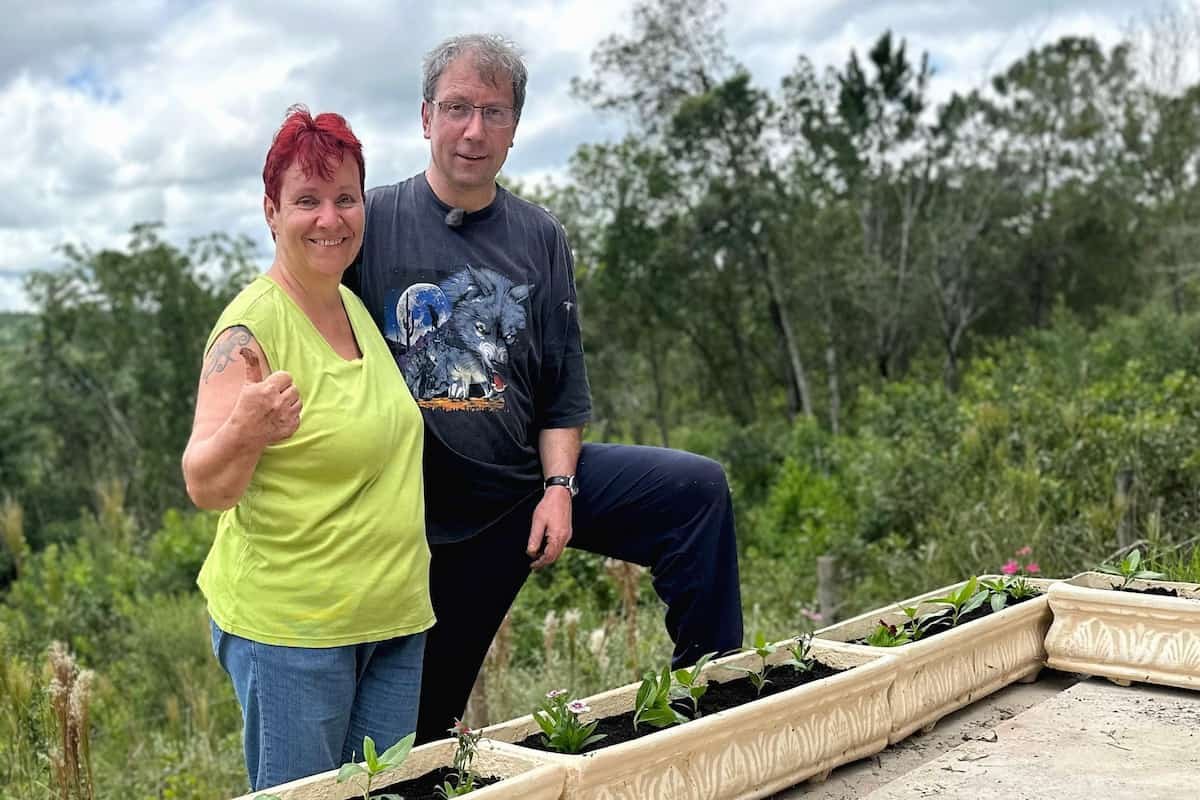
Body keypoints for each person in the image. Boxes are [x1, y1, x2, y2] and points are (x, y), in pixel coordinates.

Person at [345, 33, 744, 744]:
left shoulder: (539, 236)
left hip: (525, 486)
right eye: (458, 107)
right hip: (428, 522)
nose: (474, 130)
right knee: (413, 739)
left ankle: (709, 709)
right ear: (426, 117)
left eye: (493, 113)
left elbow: (562, 387)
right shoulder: (372, 224)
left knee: (695, 493)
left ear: (514, 128)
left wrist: (559, 488)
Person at [181, 106, 433, 791]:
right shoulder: (250, 329)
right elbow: (204, 484)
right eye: (307, 201)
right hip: (296, 632)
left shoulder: (352, 308)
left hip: (392, 620)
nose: (330, 218)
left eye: (345, 198)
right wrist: (246, 430)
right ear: (271, 211)